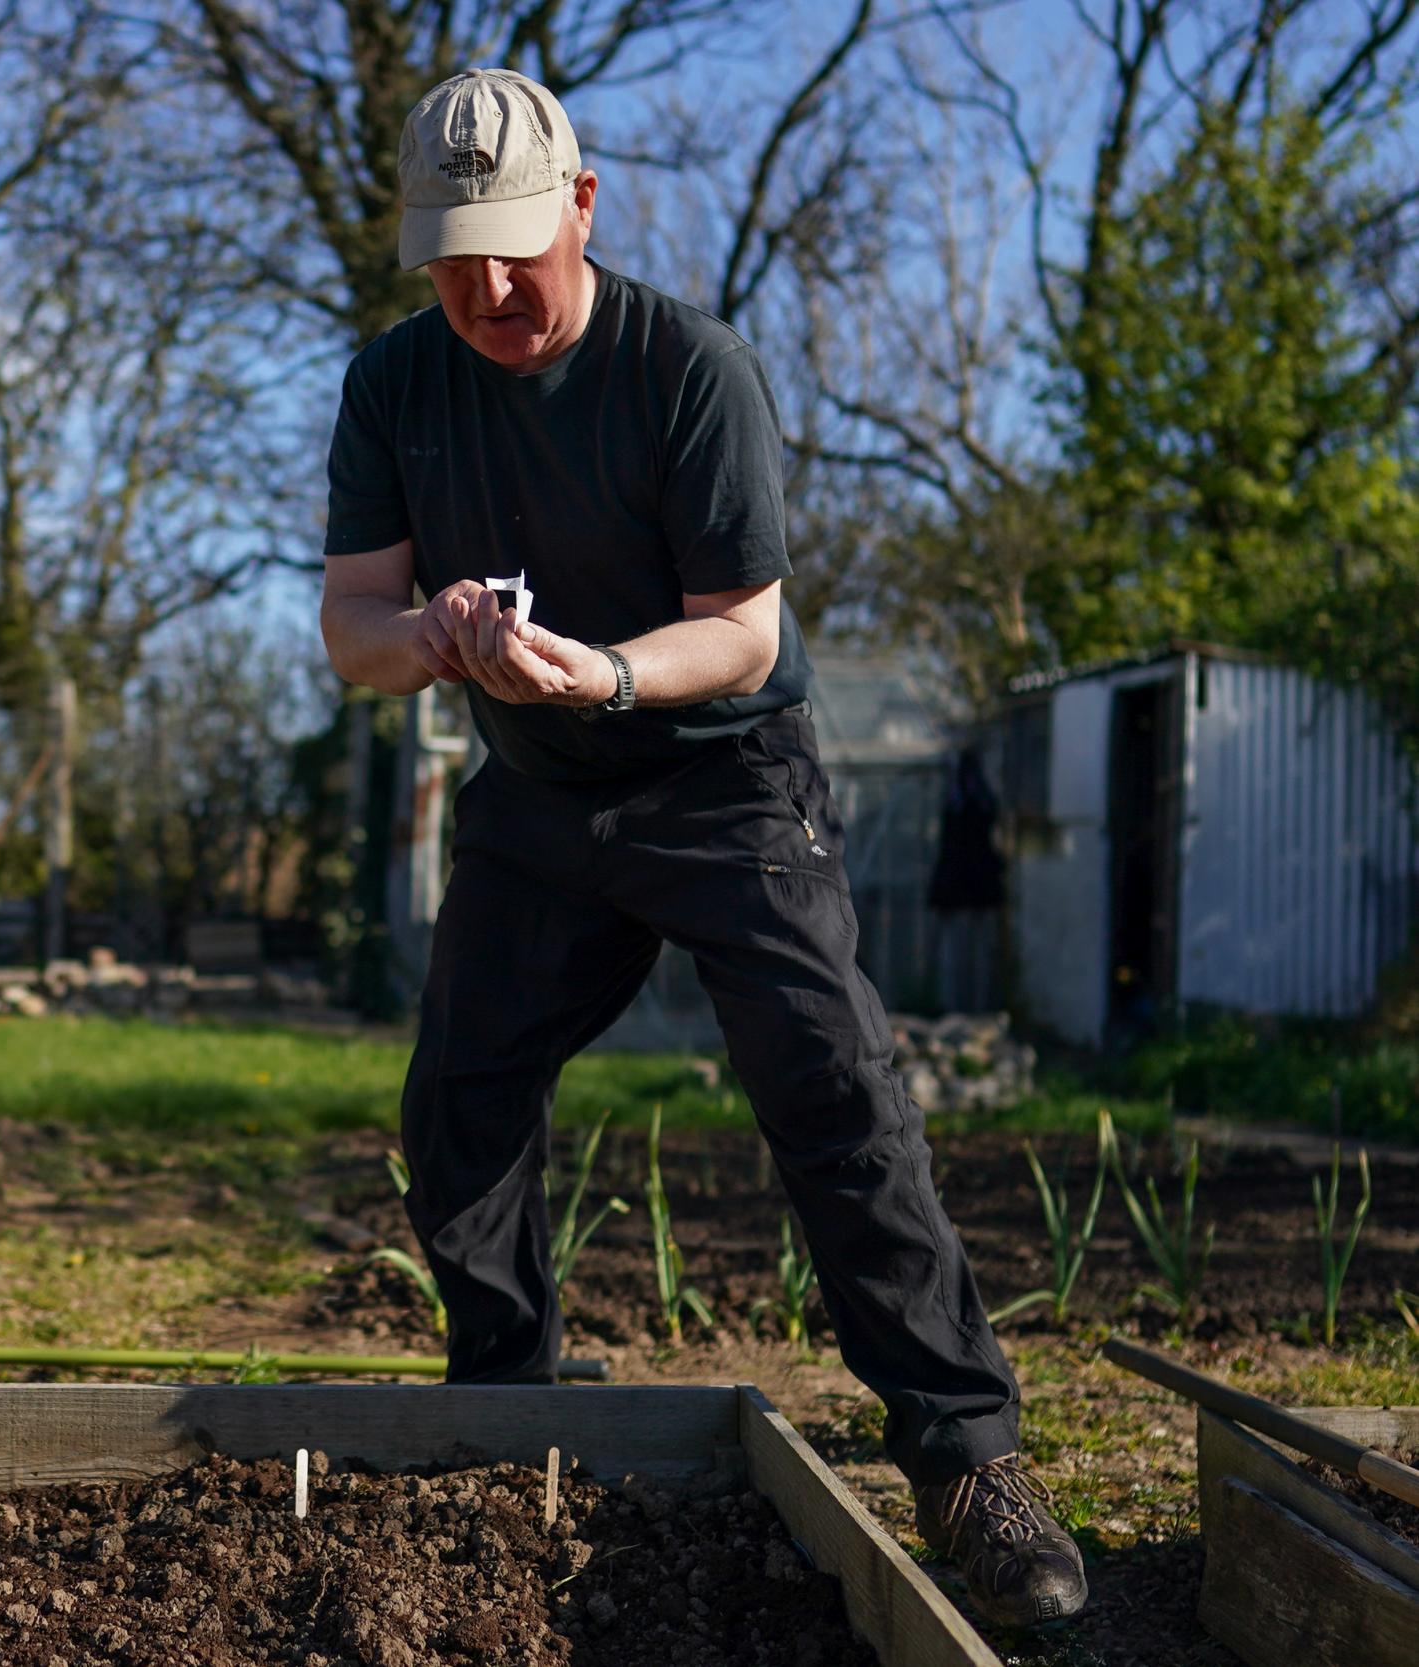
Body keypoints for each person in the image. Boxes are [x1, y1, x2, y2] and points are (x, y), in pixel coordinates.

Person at [317, 66, 1086, 1629]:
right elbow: (351, 625)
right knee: (461, 1097)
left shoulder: (690, 371)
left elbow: (741, 639)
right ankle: (506, 1397)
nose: (485, 285)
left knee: (836, 1093)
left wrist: (603, 671)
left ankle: (965, 1458)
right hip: (539, 795)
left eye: (515, 246)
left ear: (581, 208)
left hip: (726, 783)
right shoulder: (395, 384)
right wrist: (438, 636)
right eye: (454, 253)